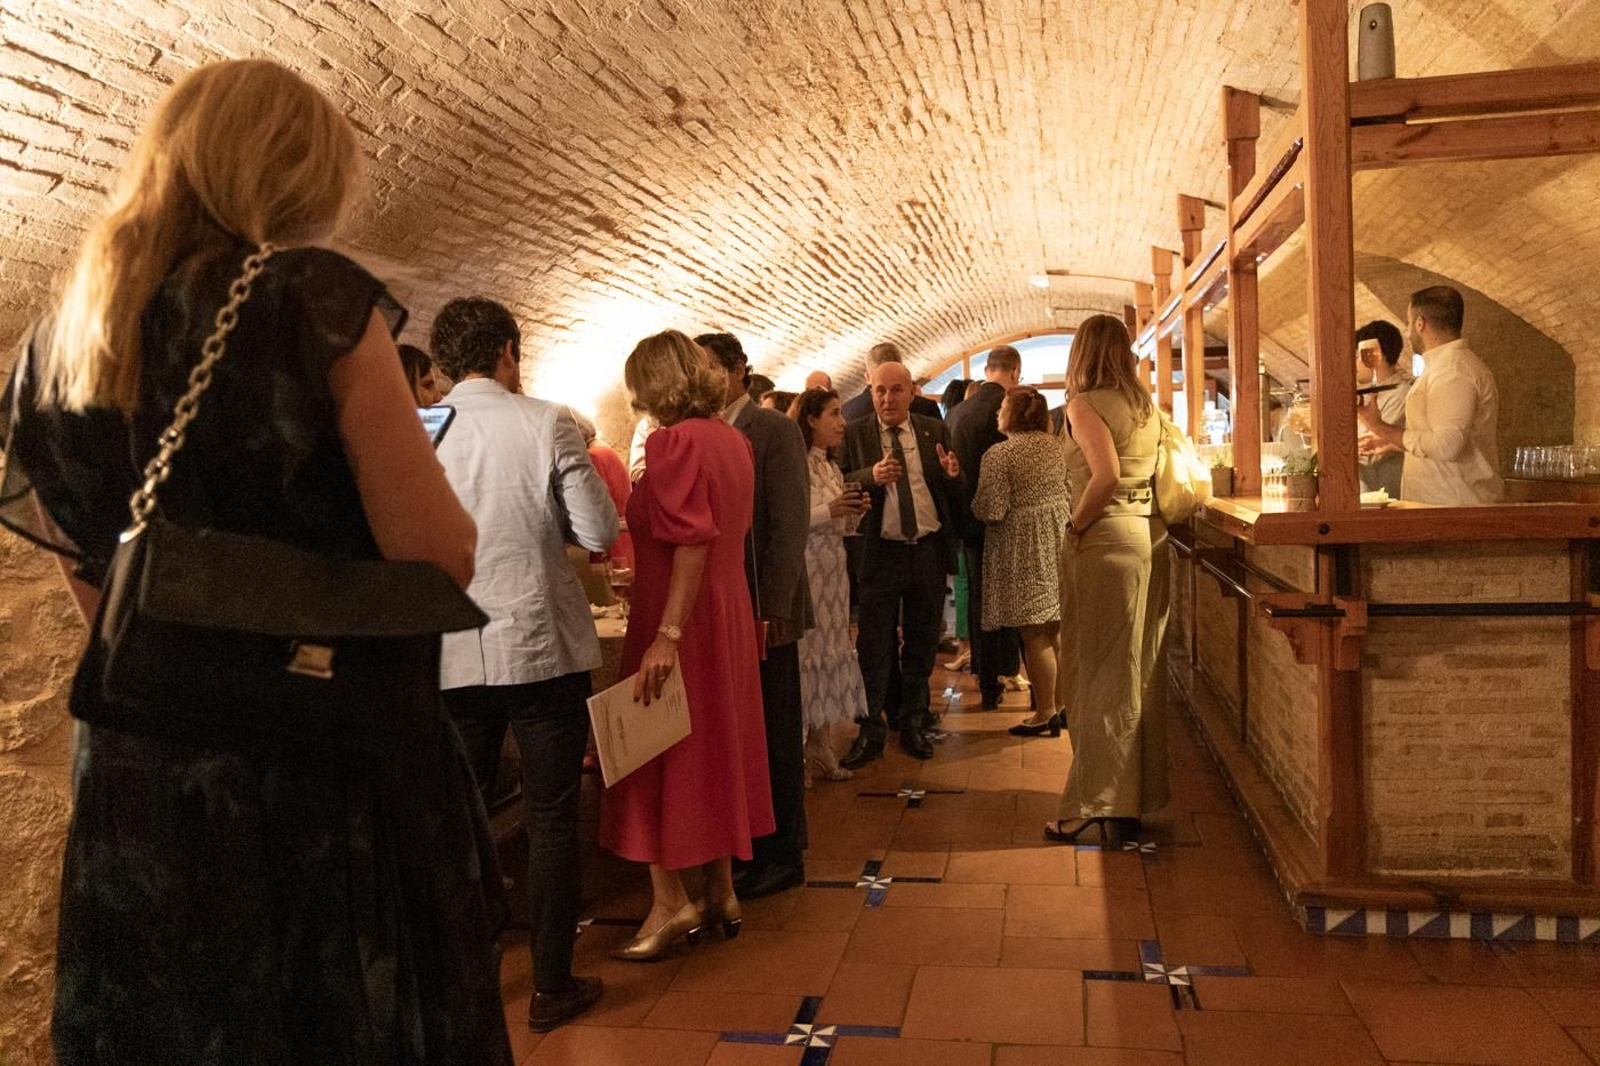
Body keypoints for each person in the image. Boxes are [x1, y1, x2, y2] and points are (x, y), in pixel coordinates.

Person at [0, 59, 512, 1064]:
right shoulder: (308, 299)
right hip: (316, 755)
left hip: (148, 767)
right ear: (291, 175)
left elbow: (94, 578)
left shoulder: (55, 342)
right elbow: (438, 554)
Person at [429, 297, 618, 1031]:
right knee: (549, 818)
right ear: (508, 350)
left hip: (450, 650)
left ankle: (467, 981)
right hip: (538, 643)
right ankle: (551, 986)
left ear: (444, 363)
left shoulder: (424, 426)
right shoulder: (545, 420)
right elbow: (598, 528)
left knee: (462, 820)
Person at [600, 330, 774, 958]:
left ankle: (670, 901)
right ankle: (720, 888)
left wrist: (666, 636)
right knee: (714, 743)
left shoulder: (672, 443)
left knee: (652, 750)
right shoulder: (733, 439)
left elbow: (692, 541)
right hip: (724, 610)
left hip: (678, 613)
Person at [695, 331, 814, 900]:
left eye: (713, 368)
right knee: (744, 733)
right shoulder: (705, 433)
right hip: (725, 607)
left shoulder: (773, 430)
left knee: (776, 729)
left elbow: (788, 527)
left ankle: (784, 853)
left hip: (767, 606)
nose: (705, 380)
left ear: (740, 369)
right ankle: (749, 845)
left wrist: (772, 609)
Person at [1046, 314, 1170, 844]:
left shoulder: (1084, 404)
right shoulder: (1147, 407)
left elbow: (1106, 475)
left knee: (1095, 674)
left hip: (1104, 544)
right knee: (1136, 673)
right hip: (1146, 539)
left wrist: (1075, 525)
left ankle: (1095, 804)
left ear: (1080, 353)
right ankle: (1128, 800)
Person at [840, 362, 967, 765]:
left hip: (926, 550)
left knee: (922, 643)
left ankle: (912, 721)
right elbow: (837, 480)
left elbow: (952, 489)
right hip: (880, 553)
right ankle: (871, 728)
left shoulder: (933, 429)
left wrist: (953, 475)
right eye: (880, 391)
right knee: (874, 646)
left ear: (912, 392)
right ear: (870, 390)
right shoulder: (856, 431)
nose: (887, 399)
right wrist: (870, 475)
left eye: (896, 391)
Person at [971, 387, 1072, 738]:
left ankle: (1043, 712)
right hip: (1057, 540)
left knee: (1033, 631)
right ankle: (1061, 707)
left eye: (1002, 407)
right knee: (1056, 627)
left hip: (1022, 546)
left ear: (1012, 414)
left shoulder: (1000, 454)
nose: (998, 412)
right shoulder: (1056, 447)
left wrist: (970, 502)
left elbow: (992, 509)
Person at [789, 388, 871, 784]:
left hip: (834, 570)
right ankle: (799, 746)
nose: (842, 422)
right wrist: (829, 510)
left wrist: (852, 514)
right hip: (807, 568)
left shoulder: (831, 467)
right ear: (810, 419)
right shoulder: (797, 464)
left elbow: (841, 527)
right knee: (807, 654)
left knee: (831, 648)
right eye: (834, 414)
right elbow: (790, 519)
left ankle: (820, 741)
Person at [1358, 286, 1503, 505]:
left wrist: (1381, 427)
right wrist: (1392, 442)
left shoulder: (1454, 372)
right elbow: (1440, 440)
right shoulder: (1442, 368)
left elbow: (1447, 446)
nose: (1407, 332)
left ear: (1420, 323)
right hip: (1438, 505)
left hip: (1456, 507)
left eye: (1409, 323)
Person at [946, 345, 1025, 710]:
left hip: (967, 523)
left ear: (988, 368)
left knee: (979, 598)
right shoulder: (1011, 411)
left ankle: (985, 676)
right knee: (1008, 600)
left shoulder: (957, 413)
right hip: (1007, 521)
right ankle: (1007, 668)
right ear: (1015, 372)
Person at [1353, 319, 1412, 498]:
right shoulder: (1371, 392)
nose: (1354, 363)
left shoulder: (1401, 394)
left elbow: (1370, 452)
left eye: (1356, 356)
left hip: (1385, 493)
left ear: (1374, 355)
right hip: (1367, 492)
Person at [573, 409, 635, 570]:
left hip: (614, 547)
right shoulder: (605, 450)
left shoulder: (593, 456)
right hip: (625, 541)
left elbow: (594, 508)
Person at [840, 341, 944, 422]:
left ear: (867, 377)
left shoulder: (848, 412)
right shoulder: (925, 408)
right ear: (904, 369)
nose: (888, 400)